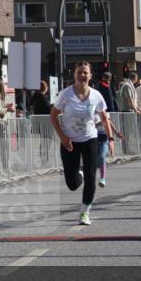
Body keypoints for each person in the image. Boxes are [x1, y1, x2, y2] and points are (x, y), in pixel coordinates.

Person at [50, 60, 110, 225]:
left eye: (85, 73)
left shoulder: (97, 95)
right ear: (74, 75)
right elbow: (53, 115)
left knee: (92, 177)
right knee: (72, 183)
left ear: (90, 75)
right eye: (79, 72)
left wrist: (110, 139)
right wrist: (62, 137)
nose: (82, 75)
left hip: (90, 139)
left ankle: (84, 212)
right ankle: (79, 174)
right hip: (69, 141)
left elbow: (104, 117)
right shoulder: (66, 94)